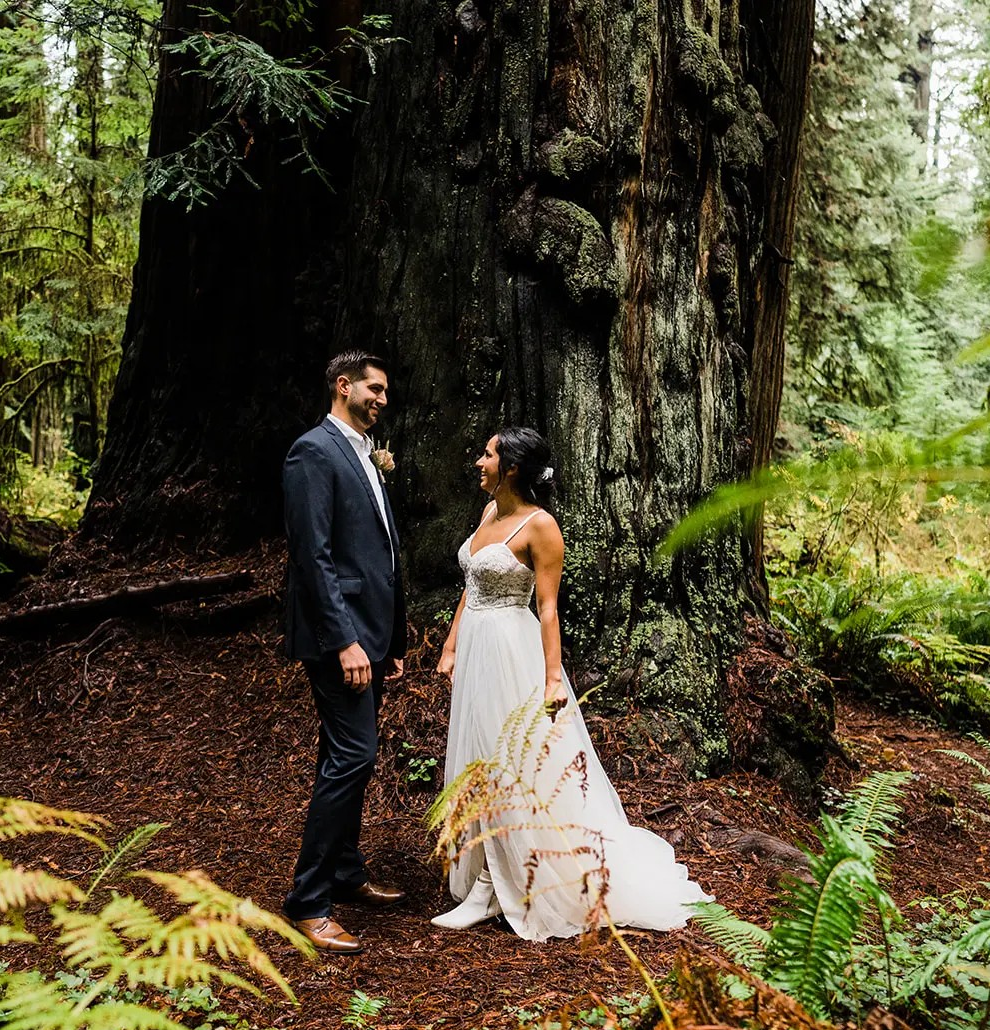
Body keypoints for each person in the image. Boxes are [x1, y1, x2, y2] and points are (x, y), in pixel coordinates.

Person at [433, 427, 710, 940]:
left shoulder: (541, 527)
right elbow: (470, 588)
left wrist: (554, 676)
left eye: (488, 454)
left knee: (509, 762)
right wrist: (451, 646)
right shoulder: (489, 513)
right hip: (476, 649)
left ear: (511, 466)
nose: (478, 461)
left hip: (513, 653)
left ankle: (496, 884)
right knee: (478, 756)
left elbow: (547, 608)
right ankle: (489, 869)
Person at [281, 350, 408, 954]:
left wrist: (393, 641)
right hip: (339, 640)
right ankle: (308, 900)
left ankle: (348, 870)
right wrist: (346, 642)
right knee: (353, 756)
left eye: (385, 391)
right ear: (343, 386)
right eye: (375, 388)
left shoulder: (366, 455)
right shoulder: (313, 451)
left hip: (371, 638)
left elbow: (381, 554)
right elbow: (315, 558)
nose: (383, 398)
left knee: (348, 752)